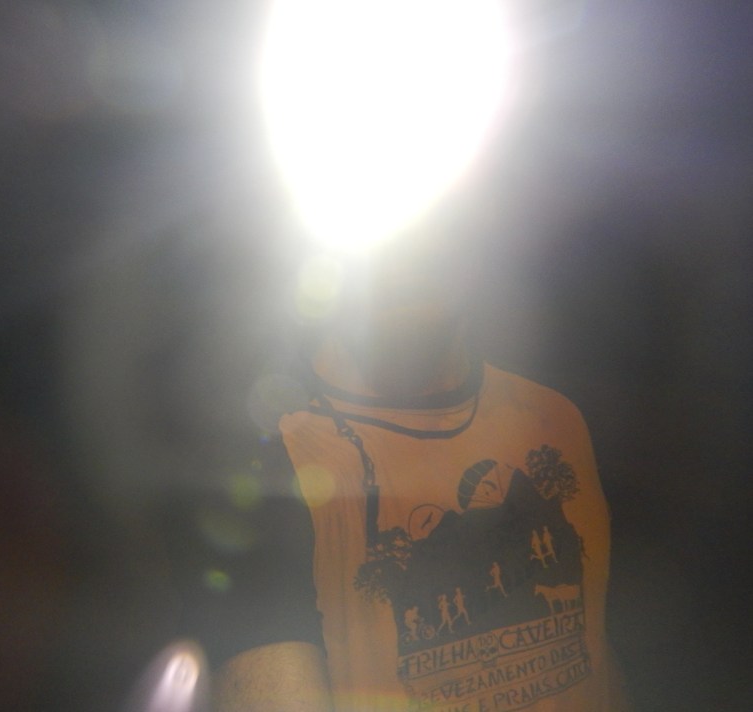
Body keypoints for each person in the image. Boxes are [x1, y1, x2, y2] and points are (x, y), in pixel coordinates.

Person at [169, 227, 630, 711]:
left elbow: (592, 647)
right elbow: (265, 674)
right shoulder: (273, 461)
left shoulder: (555, 417)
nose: (408, 250)